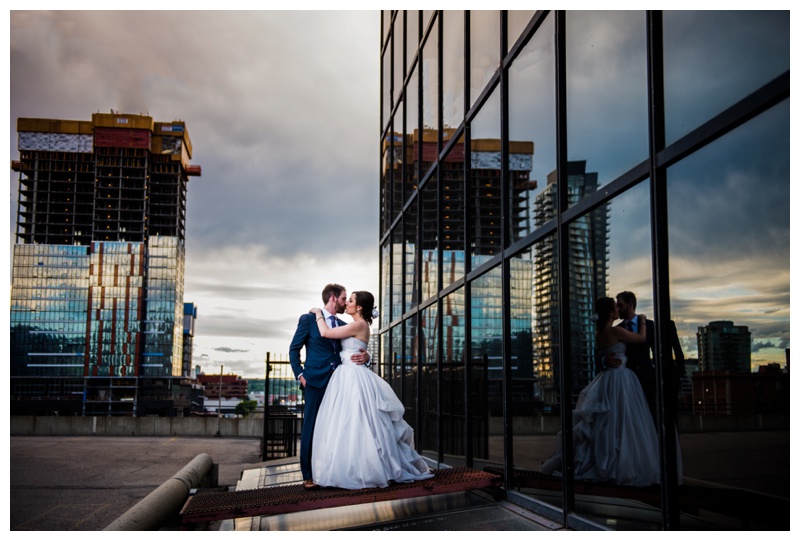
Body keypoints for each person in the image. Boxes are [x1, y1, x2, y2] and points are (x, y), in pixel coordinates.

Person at [309, 290, 434, 489]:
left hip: (352, 377)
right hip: (351, 374)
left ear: (358, 307)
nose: (347, 303)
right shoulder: (358, 325)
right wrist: (367, 356)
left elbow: (325, 333)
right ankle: (356, 465)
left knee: (355, 423)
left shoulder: (358, 325)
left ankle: (360, 469)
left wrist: (318, 313)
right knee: (356, 424)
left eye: (350, 300)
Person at [539, 297, 660, 487]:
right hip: (620, 380)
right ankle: (618, 463)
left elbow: (604, 353)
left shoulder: (599, 333)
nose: (618, 310)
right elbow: (641, 338)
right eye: (615, 307)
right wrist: (643, 319)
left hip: (606, 380)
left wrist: (605, 361)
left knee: (606, 423)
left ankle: (606, 459)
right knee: (622, 422)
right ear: (611, 313)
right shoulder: (616, 331)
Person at [289, 283, 370, 490]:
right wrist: (300, 374)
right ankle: (308, 476)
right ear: (334, 298)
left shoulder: (344, 323)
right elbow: (293, 349)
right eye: (344, 298)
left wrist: (366, 356)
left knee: (336, 429)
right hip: (315, 382)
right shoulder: (308, 320)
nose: (345, 303)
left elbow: (354, 346)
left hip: (339, 384)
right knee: (311, 428)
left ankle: (333, 470)